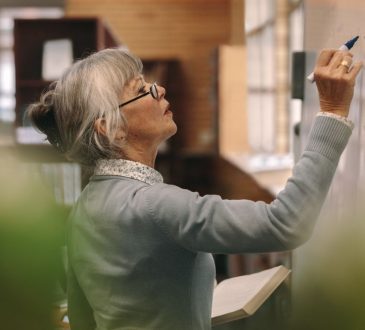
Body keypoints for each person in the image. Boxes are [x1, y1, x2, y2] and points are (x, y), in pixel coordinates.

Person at [28, 47, 362, 330]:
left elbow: (85, 319)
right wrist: (331, 113)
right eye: (141, 89)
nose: (159, 90)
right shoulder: (154, 205)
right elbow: (285, 223)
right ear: (111, 130)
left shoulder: (85, 205)